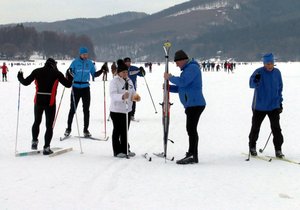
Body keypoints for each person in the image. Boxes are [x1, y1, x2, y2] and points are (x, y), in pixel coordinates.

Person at [17, 58, 73, 155]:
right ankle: (46, 148)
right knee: (49, 126)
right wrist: (70, 77)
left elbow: (25, 82)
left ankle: (34, 141)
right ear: (53, 65)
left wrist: (20, 76)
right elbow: (68, 85)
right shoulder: (57, 73)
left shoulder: (37, 71)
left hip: (38, 101)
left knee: (37, 121)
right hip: (50, 102)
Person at [164, 50, 206, 164]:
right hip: (191, 104)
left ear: (182, 60)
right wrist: (168, 88)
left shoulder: (192, 68)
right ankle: (191, 153)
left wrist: (170, 77)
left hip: (195, 104)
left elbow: (183, 82)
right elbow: (181, 88)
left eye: (177, 62)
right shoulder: (187, 70)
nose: (176, 65)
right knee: (191, 129)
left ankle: (193, 155)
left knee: (191, 130)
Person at [248, 53, 284, 158]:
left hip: (273, 106)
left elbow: (280, 88)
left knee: (276, 128)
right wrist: (256, 79)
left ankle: (278, 149)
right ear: (264, 63)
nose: (270, 65)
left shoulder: (277, 73)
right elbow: (251, 84)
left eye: (271, 63)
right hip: (259, 106)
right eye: (267, 63)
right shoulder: (258, 71)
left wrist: (280, 102)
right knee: (255, 127)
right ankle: (252, 147)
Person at [65, 47, 103, 137]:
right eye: (84, 54)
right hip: (76, 87)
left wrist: (102, 70)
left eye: (86, 54)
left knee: (86, 110)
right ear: (80, 54)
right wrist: (69, 73)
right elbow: (69, 72)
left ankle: (86, 130)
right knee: (72, 109)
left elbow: (94, 74)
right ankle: (68, 128)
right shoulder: (75, 62)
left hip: (86, 88)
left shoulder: (89, 63)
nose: (85, 56)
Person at [109, 59, 141, 158]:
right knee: (117, 131)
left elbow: (133, 91)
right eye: (123, 72)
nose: (125, 73)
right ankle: (117, 151)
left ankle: (125, 149)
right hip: (117, 111)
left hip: (127, 110)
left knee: (125, 131)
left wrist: (135, 96)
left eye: (126, 72)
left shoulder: (129, 80)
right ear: (119, 73)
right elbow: (113, 95)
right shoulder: (114, 82)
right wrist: (122, 97)